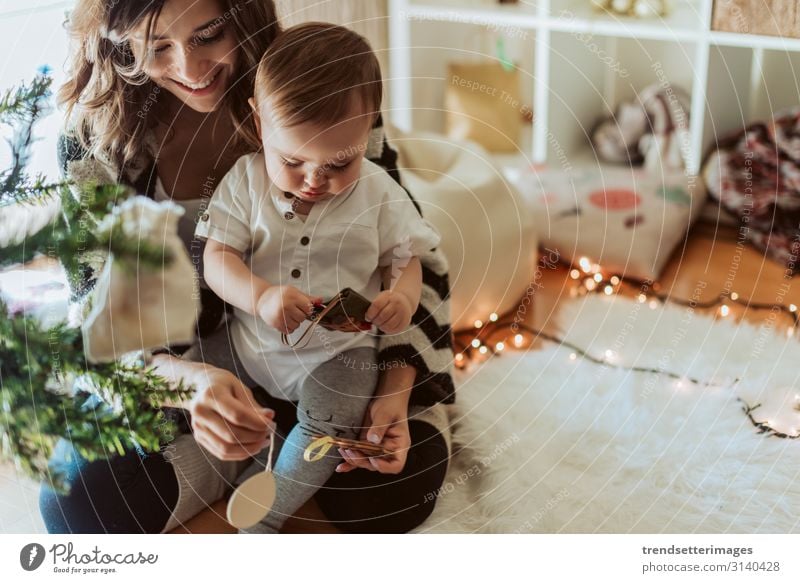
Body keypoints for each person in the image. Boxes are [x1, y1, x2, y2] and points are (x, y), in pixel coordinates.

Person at [41, 0, 455, 534]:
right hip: (195, 370)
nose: (193, 71)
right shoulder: (91, 144)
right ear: (118, 44)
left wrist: (394, 388)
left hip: (337, 367)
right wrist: (184, 385)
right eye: (157, 47)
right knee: (78, 502)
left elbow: (412, 257)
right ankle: (252, 455)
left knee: (401, 484)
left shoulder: (322, 91)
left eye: (209, 34)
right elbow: (96, 328)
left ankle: (283, 463)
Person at [195, 22, 441, 533]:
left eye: (339, 162)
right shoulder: (244, 182)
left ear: (368, 129)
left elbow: (411, 257)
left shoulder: (377, 191)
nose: (314, 180)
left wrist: (401, 295)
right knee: (191, 364)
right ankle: (235, 450)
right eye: (293, 161)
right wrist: (259, 296)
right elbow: (217, 256)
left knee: (335, 419)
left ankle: (266, 517)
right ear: (259, 123)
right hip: (248, 344)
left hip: (336, 356)